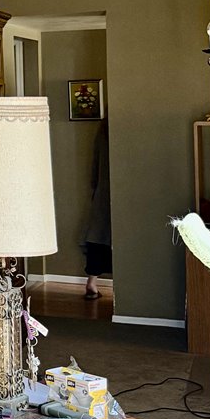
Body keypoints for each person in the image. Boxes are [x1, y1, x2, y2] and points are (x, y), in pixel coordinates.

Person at [82, 121, 111, 299]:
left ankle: (91, 282)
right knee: (101, 236)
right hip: (115, 187)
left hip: (103, 189)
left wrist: (94, 185)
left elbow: (95, 159)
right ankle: (92, 283)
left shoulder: (103, 129)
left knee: (98, 236)